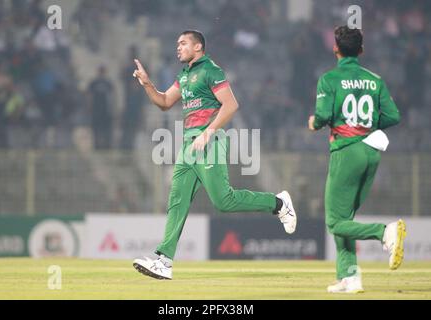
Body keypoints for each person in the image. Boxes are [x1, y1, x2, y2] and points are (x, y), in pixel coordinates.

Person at [132, 30, 297, 280]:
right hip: (189, 144)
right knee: (177, 201)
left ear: (198, 47)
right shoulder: (184, 75)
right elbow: (165, 101)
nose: (178, 47)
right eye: (177, 43)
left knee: (224, 201)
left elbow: (231, 105)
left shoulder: (211, 70)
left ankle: (279, 203)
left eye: (183, 43)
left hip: (209, 141)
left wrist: (209, 132)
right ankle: (164, 260)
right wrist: (147, 84)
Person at [308, 26, 405, 293]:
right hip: (371, 151)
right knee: (346, 216)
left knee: (335, 222)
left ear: (335, 49)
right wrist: (370, 125)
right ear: (361, 50)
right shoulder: (375, 79)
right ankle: (349, 276)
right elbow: (393, 116)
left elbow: (323, 115)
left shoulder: (329, 79)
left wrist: (314, 123)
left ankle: (384, 232)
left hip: (346, 150)